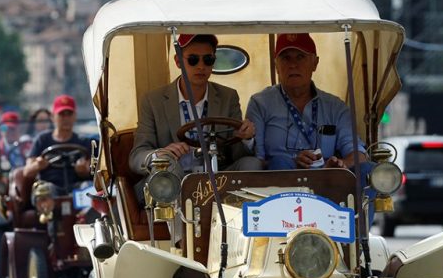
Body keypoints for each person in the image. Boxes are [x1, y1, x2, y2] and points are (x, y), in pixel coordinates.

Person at [129, 34, 260, 182]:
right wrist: (159, 155)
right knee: (168, 167)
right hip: (173, 180)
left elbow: (238, 154)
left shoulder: (228, 97)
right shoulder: (153, 101)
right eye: (193, 59)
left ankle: (243, 205)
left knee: (252, 164)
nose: (201, 66)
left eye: (208, 60)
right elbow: (137, 156)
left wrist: (246, 138)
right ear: (178, 61)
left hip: (217, 178)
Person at [246, 33, 367, 171]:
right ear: (276, 66)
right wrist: (293, 162)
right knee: (280, 162)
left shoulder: (335, 107)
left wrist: (340, 164)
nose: (293, 65)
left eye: (300, 57)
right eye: (286, 58)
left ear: (315, 63)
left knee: (367, 169)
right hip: (279, 184)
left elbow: (359, 155)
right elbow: (257, 161)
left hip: (327, 181)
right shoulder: (260, 103)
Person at [23, 94, 92, 194]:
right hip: (49, 190)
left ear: (75, 116)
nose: (66, 118)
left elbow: (93, 171)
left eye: (69, 114)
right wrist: (37, 165)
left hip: (77, 190)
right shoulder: (42, 140)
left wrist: (84, 170)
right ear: (53, 117)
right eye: (62, 114)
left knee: (89, 188)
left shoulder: (84, 142)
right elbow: (27, 171)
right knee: (44, 190)